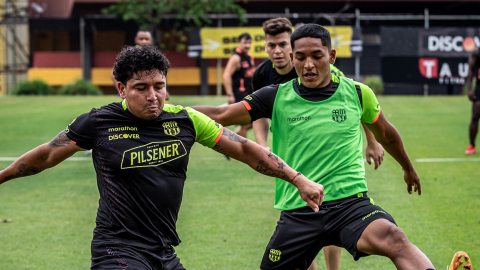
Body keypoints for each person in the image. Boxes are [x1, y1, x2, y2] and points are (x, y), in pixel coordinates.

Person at [0, 46, 325, 270]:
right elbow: (45, 155)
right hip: (117, 248)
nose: (153, 96)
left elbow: (242, 148)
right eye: (141, 87)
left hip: (162, 250)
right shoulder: (98, 122)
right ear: (121, 88)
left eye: (159, 86)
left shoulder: (185, 119)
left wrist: (297, 179)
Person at [191, 24, 436, 270]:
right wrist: (170, 112)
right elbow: (220, 113)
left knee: (395, 238)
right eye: (301, 57)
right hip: (299, 210)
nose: (308, 64)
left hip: (351, 205)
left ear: (331, 56)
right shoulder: (275, 96)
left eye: (317, 56)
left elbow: (386, 133)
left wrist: (407, 167)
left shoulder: (358, 94)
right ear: (292, 58)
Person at [251, 18, 384, 270]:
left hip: (327, 156)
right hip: (291, 157)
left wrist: (371, 140)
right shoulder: (262, 75)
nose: (277, 51)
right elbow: (257, 113)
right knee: (303, 223)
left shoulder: (322, 69)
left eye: (281, 44)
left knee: (328, 209)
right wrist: (261, 144)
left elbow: (354, 103)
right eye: (271, 46)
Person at [110, 29, 170, 100]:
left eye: (146, 39)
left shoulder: (153, 55)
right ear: (136, 40)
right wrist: (122, 91)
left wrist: (161, 89)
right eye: (141, 39)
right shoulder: (130, 54)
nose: (144, 41)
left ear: (151, 40)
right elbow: (113, 75)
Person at [222, 32, 256, 139]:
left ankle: (228, 140)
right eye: (245, 43)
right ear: (239, 43)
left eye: (249, 43)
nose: (247, 45)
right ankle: (245, 153)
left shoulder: (249, 57)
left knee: (252, 122)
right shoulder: (236, 58)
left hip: (249, 94)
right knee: (246, 125)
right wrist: (230, 94)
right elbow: (226, 75)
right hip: (239, 96)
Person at [465, 47, 480, 155]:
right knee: (475, 116)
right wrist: (470, 89)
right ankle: (472, 145)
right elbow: (470, 70)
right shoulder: (477, 52)